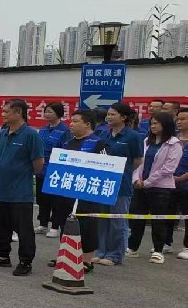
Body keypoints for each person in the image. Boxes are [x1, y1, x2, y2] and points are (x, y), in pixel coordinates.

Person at [0, 98, 45, 276]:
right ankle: (2, 255)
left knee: (23, 229)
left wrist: (21, 173)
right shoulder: (3, 133)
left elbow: (38, 163)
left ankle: (25, 261)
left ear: (19, 113)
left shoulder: (31, 135)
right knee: (0, 225)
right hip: (0, 190)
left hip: (19, 192)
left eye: (6, 111)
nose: (3, 114)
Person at [47, 110, 106, 272]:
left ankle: (86, 260)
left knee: (87, 225)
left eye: (75, 121)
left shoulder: (99, 143)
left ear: (87, 124)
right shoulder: (68, 143)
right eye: (71, 121)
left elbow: (105, 168)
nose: (71, 124)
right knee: (65, 222)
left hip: (88, 193)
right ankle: (66, 255)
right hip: (67, 191)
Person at [93, 103, 142, 266]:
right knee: (102, 219)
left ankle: (115, 254)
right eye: (108, 114)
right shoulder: (104, 134)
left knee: (117, 221)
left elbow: (137, 160)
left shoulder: (133, 136)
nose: (109, 117)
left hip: (122, 184)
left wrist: (124, 171)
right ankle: (101, 251)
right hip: (103, 182)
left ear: (124, 117)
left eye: (113, 114)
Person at [128, 112, 179, 263]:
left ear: (166, 125)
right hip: (140, 185)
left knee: (158, 220)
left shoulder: (174, 144)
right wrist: (136, 179)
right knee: (136, 217)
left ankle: (158, 250)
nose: (153, 126)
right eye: (152, 123)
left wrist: (148, 182)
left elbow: (168, 169)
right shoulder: (146, 141)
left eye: (156, 123)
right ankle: (132, 247)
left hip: (160, 188)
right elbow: (138, 162)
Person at [35, 102, 71, 237]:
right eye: (46, 111)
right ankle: (43, 223)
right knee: (42, 198)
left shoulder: (65, 131)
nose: (47, 114)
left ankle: (55, 226)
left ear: (59, 114)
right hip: (41, 168)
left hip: (56, 169)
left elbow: (65, 150)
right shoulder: (43, 130)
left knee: (55, 200)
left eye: (50, 112)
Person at [170, 108, 188, 260]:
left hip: (185, 184)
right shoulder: (172, 139)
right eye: (178, 119)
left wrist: (183, 177)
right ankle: (165, 243)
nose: (179, 122)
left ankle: (187, 246)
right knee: (167, 214)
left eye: (184, 119)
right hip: (169, 183)